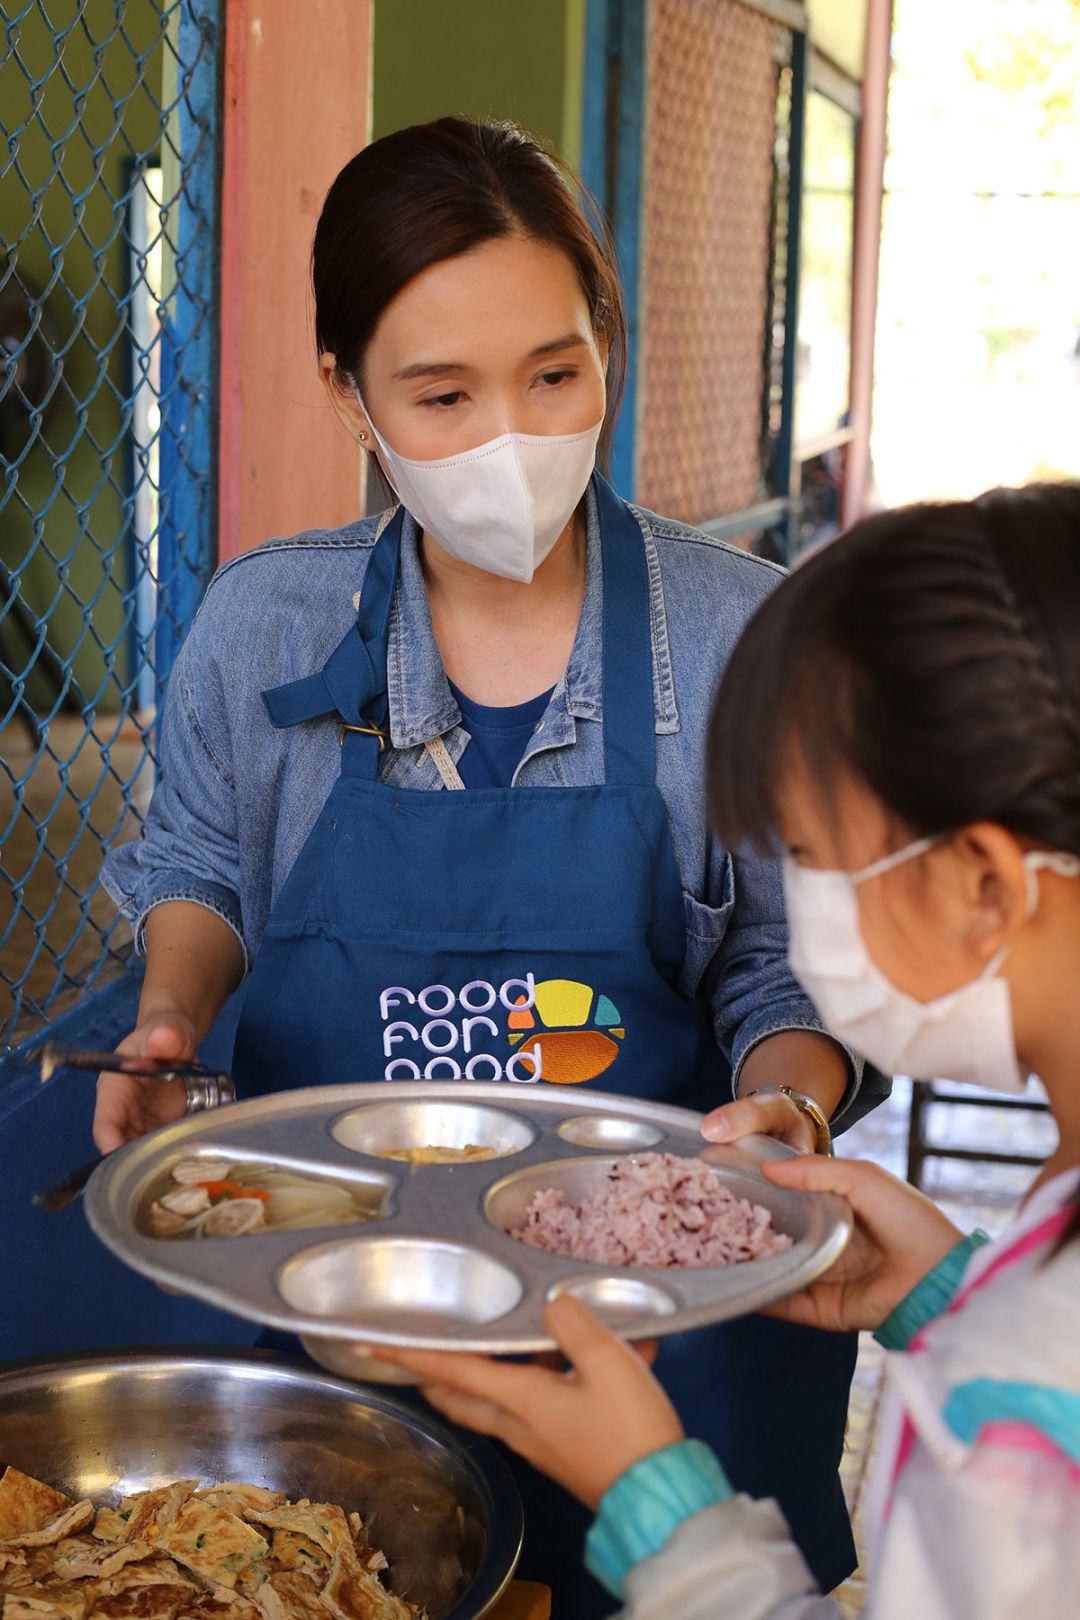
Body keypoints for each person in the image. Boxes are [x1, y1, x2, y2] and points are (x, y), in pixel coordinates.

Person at [96, 117, 887, 1611]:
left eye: (555, 375)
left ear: (610, 345)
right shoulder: (267, 624)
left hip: (664, 1326)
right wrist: (172, 1018)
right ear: (348, 391)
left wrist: (790, 1104)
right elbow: (197, 864)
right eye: (442, 395)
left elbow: (794, 958)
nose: (510, 440)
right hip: (343, 1306)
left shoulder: (741, 639)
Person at [368, 483, 1080, 1617]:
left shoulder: (1021, 1401)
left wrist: (662, 1513)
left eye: (813, 855)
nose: (802, 918)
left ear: (987, 885)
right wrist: (952, 1299)